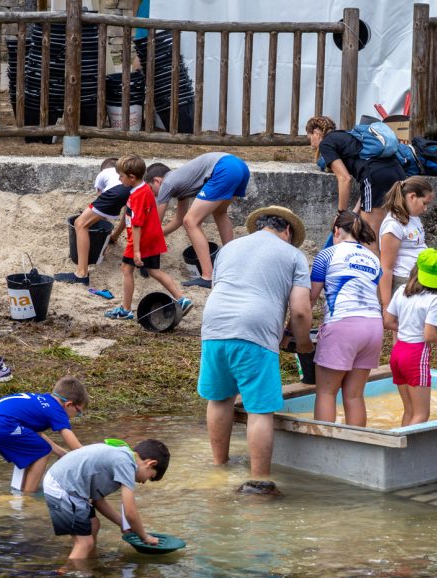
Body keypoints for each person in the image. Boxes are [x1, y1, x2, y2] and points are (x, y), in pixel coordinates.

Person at [199, 205, 312, 494]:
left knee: (220, 397)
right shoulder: (293, 255)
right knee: (260, 410)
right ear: (287, 230)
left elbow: (218, 284)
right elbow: (300, 311)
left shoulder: (229, 248)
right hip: (255, 327)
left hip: (214, 322)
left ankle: (218, 469)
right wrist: (302, 345)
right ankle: (260, 481)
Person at [42, 438, 169, 576]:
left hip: (67, 484)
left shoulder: (122, 456)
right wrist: (145, 537)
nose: (144, 482)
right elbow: (130, 512)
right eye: (150, 476)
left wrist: (121, 523)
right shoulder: (126, 463)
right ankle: (62, 574)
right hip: (62, 487)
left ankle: (89, 563)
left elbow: (97, 500)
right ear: (150, 463)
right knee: (85, 542)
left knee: (93, 524)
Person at [309, 210, 383, 427]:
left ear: (336, 231)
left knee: (326, 392)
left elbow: (311, 298)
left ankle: (323, 450)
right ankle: (357, 449)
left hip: (343, 324)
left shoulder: (328, 254)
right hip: (373, 327)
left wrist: (290, 330)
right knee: (354, 395)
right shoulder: (373, 258)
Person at [104, 154, 193, 321]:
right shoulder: (145, 189)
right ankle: (182, 299)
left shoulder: (137, 195)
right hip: (152, 237)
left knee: (126, 269)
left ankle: (126, 309)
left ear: (131, 177)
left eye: (121, 176)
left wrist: (136, 251)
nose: (119, 179)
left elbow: (137, 225)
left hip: (140, 240)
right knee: (154, 271)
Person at [149, 152, 251, 288]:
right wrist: (158, 234)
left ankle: (207, 276)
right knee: (220, 212)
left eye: (151, 189)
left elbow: (155, 224)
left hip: (224, 167)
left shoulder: (167, 183)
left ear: (157, 180)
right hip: (240, 167)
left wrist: (143, 246)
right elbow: (178, 220)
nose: (154, 195)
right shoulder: (181, 184)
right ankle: (232, 263)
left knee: (191, 221)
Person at [384, 248, 437, 426]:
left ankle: (400, 452)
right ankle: (411, 453)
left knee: (409, 411)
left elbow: (387, 321)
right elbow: (429, 336)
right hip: (415, 356)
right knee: (421, 415)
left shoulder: (402, 290)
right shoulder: (435, 300)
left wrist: (407, 327)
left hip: (398, 353)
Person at [0, 376, 88, 494]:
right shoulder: (57, 410)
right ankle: (28, 495)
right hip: (2, 425)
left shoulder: (42, 401)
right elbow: (77, 449)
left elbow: (36, 435)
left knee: (37, 447)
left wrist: (62, 454)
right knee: (42, 452)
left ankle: (17, 491)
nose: (76, 416)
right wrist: (92, 458)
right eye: (78, 412)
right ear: (69, 405)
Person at [306, 115, 406, 238]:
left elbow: (345, 179)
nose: (311, 144)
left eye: (309, 138)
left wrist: (341, 215)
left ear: (316, 133)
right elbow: (366, 188)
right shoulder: (348, 136)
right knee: (389, 234)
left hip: (376, 177)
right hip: (398, 172)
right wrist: (355, 211)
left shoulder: (326, 144)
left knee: (369, 238)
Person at [54, 157, 129, 285]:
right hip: (132, 188)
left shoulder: (103, 174)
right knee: (128, 216)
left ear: (103, 168)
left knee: (80, 224)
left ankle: (81, 273)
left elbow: (100, 204)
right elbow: (125, 217)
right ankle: (115, 238)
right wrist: (113, 236)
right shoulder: (125, 175)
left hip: (117, 191)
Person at [378, 177, 434, 309]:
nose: (425, 209)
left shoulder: (413, 217)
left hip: (420, 278)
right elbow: (386, 268)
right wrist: (386, 305)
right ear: (412, 196)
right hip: (404, 281)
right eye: (424, 203)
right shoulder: (392, 226)